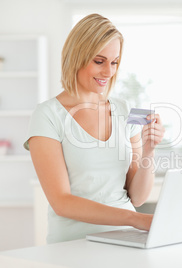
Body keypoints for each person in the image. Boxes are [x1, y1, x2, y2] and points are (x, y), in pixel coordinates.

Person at [23, 13, 165, 243]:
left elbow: (137, 197)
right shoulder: (47, 115)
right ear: (76, 57)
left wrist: (150, 151)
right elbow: (61, 202)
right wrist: (136, 220)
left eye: (114, 62)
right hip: (75, 243)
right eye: (99, 61)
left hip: (126, 240)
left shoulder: (124, 110)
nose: (108, 72)